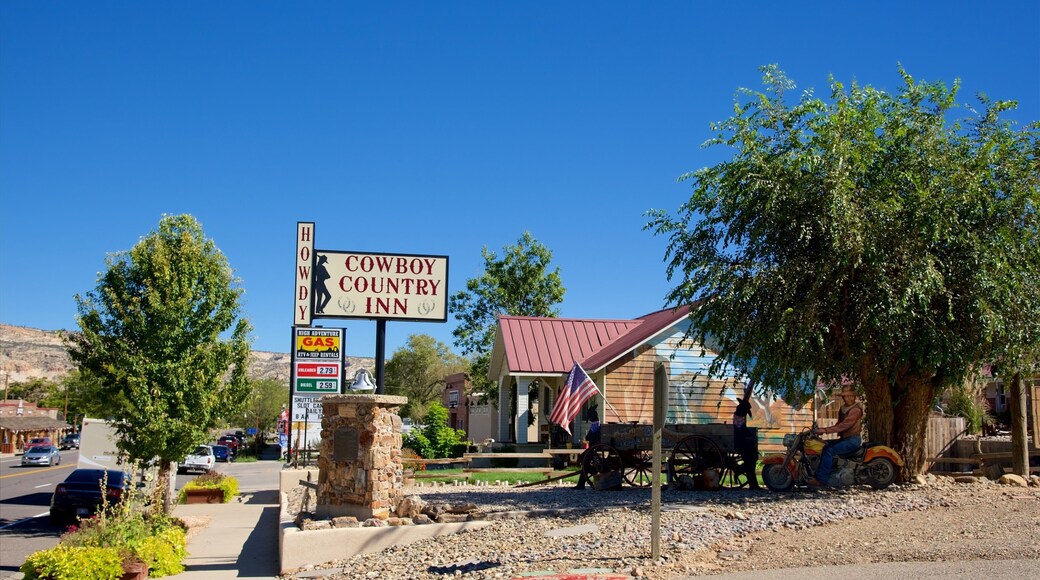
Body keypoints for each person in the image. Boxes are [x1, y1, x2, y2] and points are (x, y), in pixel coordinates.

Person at [809, 385, 864, 487]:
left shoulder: (855, 410)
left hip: (853, 440)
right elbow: (839, 424)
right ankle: (820, 472)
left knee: (829, 450)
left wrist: (825, 430)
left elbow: (844, 425)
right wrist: (819, 430)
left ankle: (822, 479)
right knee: (823, 445)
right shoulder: (843, 408)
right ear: (843, 398)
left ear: (854, 396)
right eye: (846, 396)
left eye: (850, 396)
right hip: (845, 439)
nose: (848, 398)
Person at [732, 395, 761, 490]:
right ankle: (740, 472)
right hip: (743, 445)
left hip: (744, 444)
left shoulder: (739, 416)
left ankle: (753, 484)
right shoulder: (739, 417)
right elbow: (741, 431)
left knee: (751, 462)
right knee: (750, 463)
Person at [574, 404, 601, 489]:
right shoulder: (596, 425)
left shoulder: (596, 426)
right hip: (593, 448)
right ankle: (581, 483)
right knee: (584, 460)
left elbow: (589, 437)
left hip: (594, 448)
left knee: (583, 459)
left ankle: (592, 471)